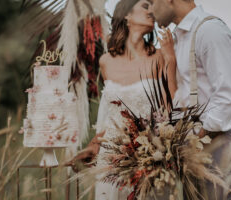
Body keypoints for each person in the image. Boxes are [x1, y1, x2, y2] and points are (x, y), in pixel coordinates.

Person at [67, 0, 178, 199]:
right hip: (111, 157)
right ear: (126, 14)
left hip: (149, 156)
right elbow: (110, 113)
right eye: (145, 5)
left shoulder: (160, 56)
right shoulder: (106, 61)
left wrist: (170, 61)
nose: (152, 10)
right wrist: (94, 146)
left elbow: (171, 110)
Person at [147, 0, 231, 199]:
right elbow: (183, 99)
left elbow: (227, 99)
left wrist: (193, 141)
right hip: (197, 152)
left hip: (221, 148)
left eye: (153, 2)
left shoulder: (210, 32)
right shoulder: (178, 39)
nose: (151, 9)